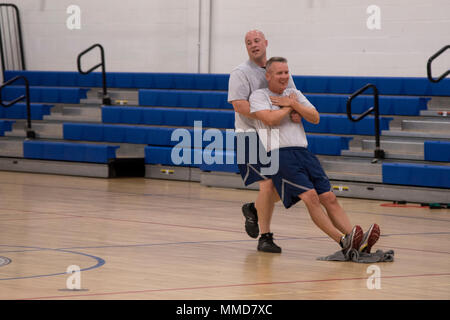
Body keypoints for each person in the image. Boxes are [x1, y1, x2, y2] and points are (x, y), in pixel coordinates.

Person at [249, 56, 381, 255]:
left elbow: (315, 117)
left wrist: (294, 104)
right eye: (279, 73)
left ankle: (357, 240)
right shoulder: (259, 96)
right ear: (268, 75)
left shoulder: (294, 93)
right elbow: (270, 119)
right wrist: (288, 106)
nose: (284, 76)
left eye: (286, 72)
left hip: (304, 152)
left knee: (329, 197)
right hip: (279, 154)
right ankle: (343, 241)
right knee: (310, 197)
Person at [228, 30, 300, 253]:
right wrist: (267, 114)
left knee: (293, 186)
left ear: (266, 43)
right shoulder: (240, 73)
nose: (253, 45)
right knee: (268, 184)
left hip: (276, 134)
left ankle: (254, 209)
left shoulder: (277, 70)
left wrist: (296, 112)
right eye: (248, 42)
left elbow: (293, 98)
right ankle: (265, 237)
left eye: (256, 41)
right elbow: (239, 106)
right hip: (249, 136)